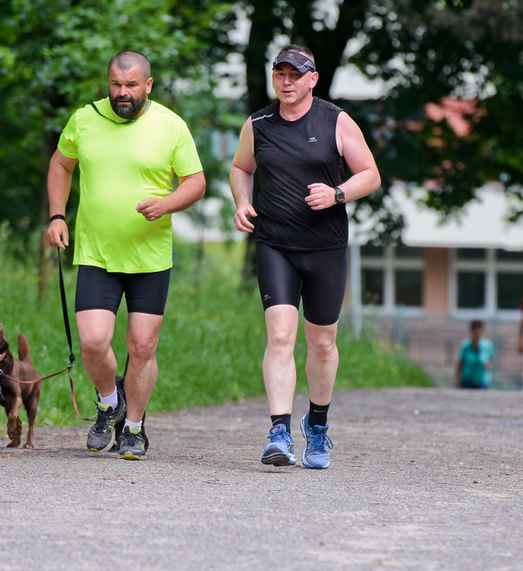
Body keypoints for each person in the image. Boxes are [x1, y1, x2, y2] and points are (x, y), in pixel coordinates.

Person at [45, 50, 206, 460]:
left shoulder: (171, 125)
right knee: (94, 342)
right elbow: (61, 165)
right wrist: (58, 215)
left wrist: (167, 204)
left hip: (150, 258)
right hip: (97, 253)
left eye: (131, 86)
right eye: (115, 85)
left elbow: (196, 182)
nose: (122, 93)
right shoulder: (85, 119)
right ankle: (107, 402)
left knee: (142, 346)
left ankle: (133, 429)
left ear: (147, 85)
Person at [229, 45, 381, 469]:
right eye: (279, 73)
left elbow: (370, 174)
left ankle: (317, 426)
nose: (286, 81)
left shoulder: (335, 120)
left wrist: (337, 194)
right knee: (279, 336)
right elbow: (242, 168)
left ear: (313, 79)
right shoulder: (258, 123)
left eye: (295, 74)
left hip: (325, 248)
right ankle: (278, 431)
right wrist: (241, 202)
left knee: (322, 341)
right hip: (275, 243)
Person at [454, 320, 496, 389]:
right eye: (475, 330)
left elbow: (491, 361)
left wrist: (488, 365)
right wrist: (456, 378)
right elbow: (460, 363)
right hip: (467, 380)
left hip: (482, 381)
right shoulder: (465, 346)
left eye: (479, 330)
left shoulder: (488, 345)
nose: (477, 333)